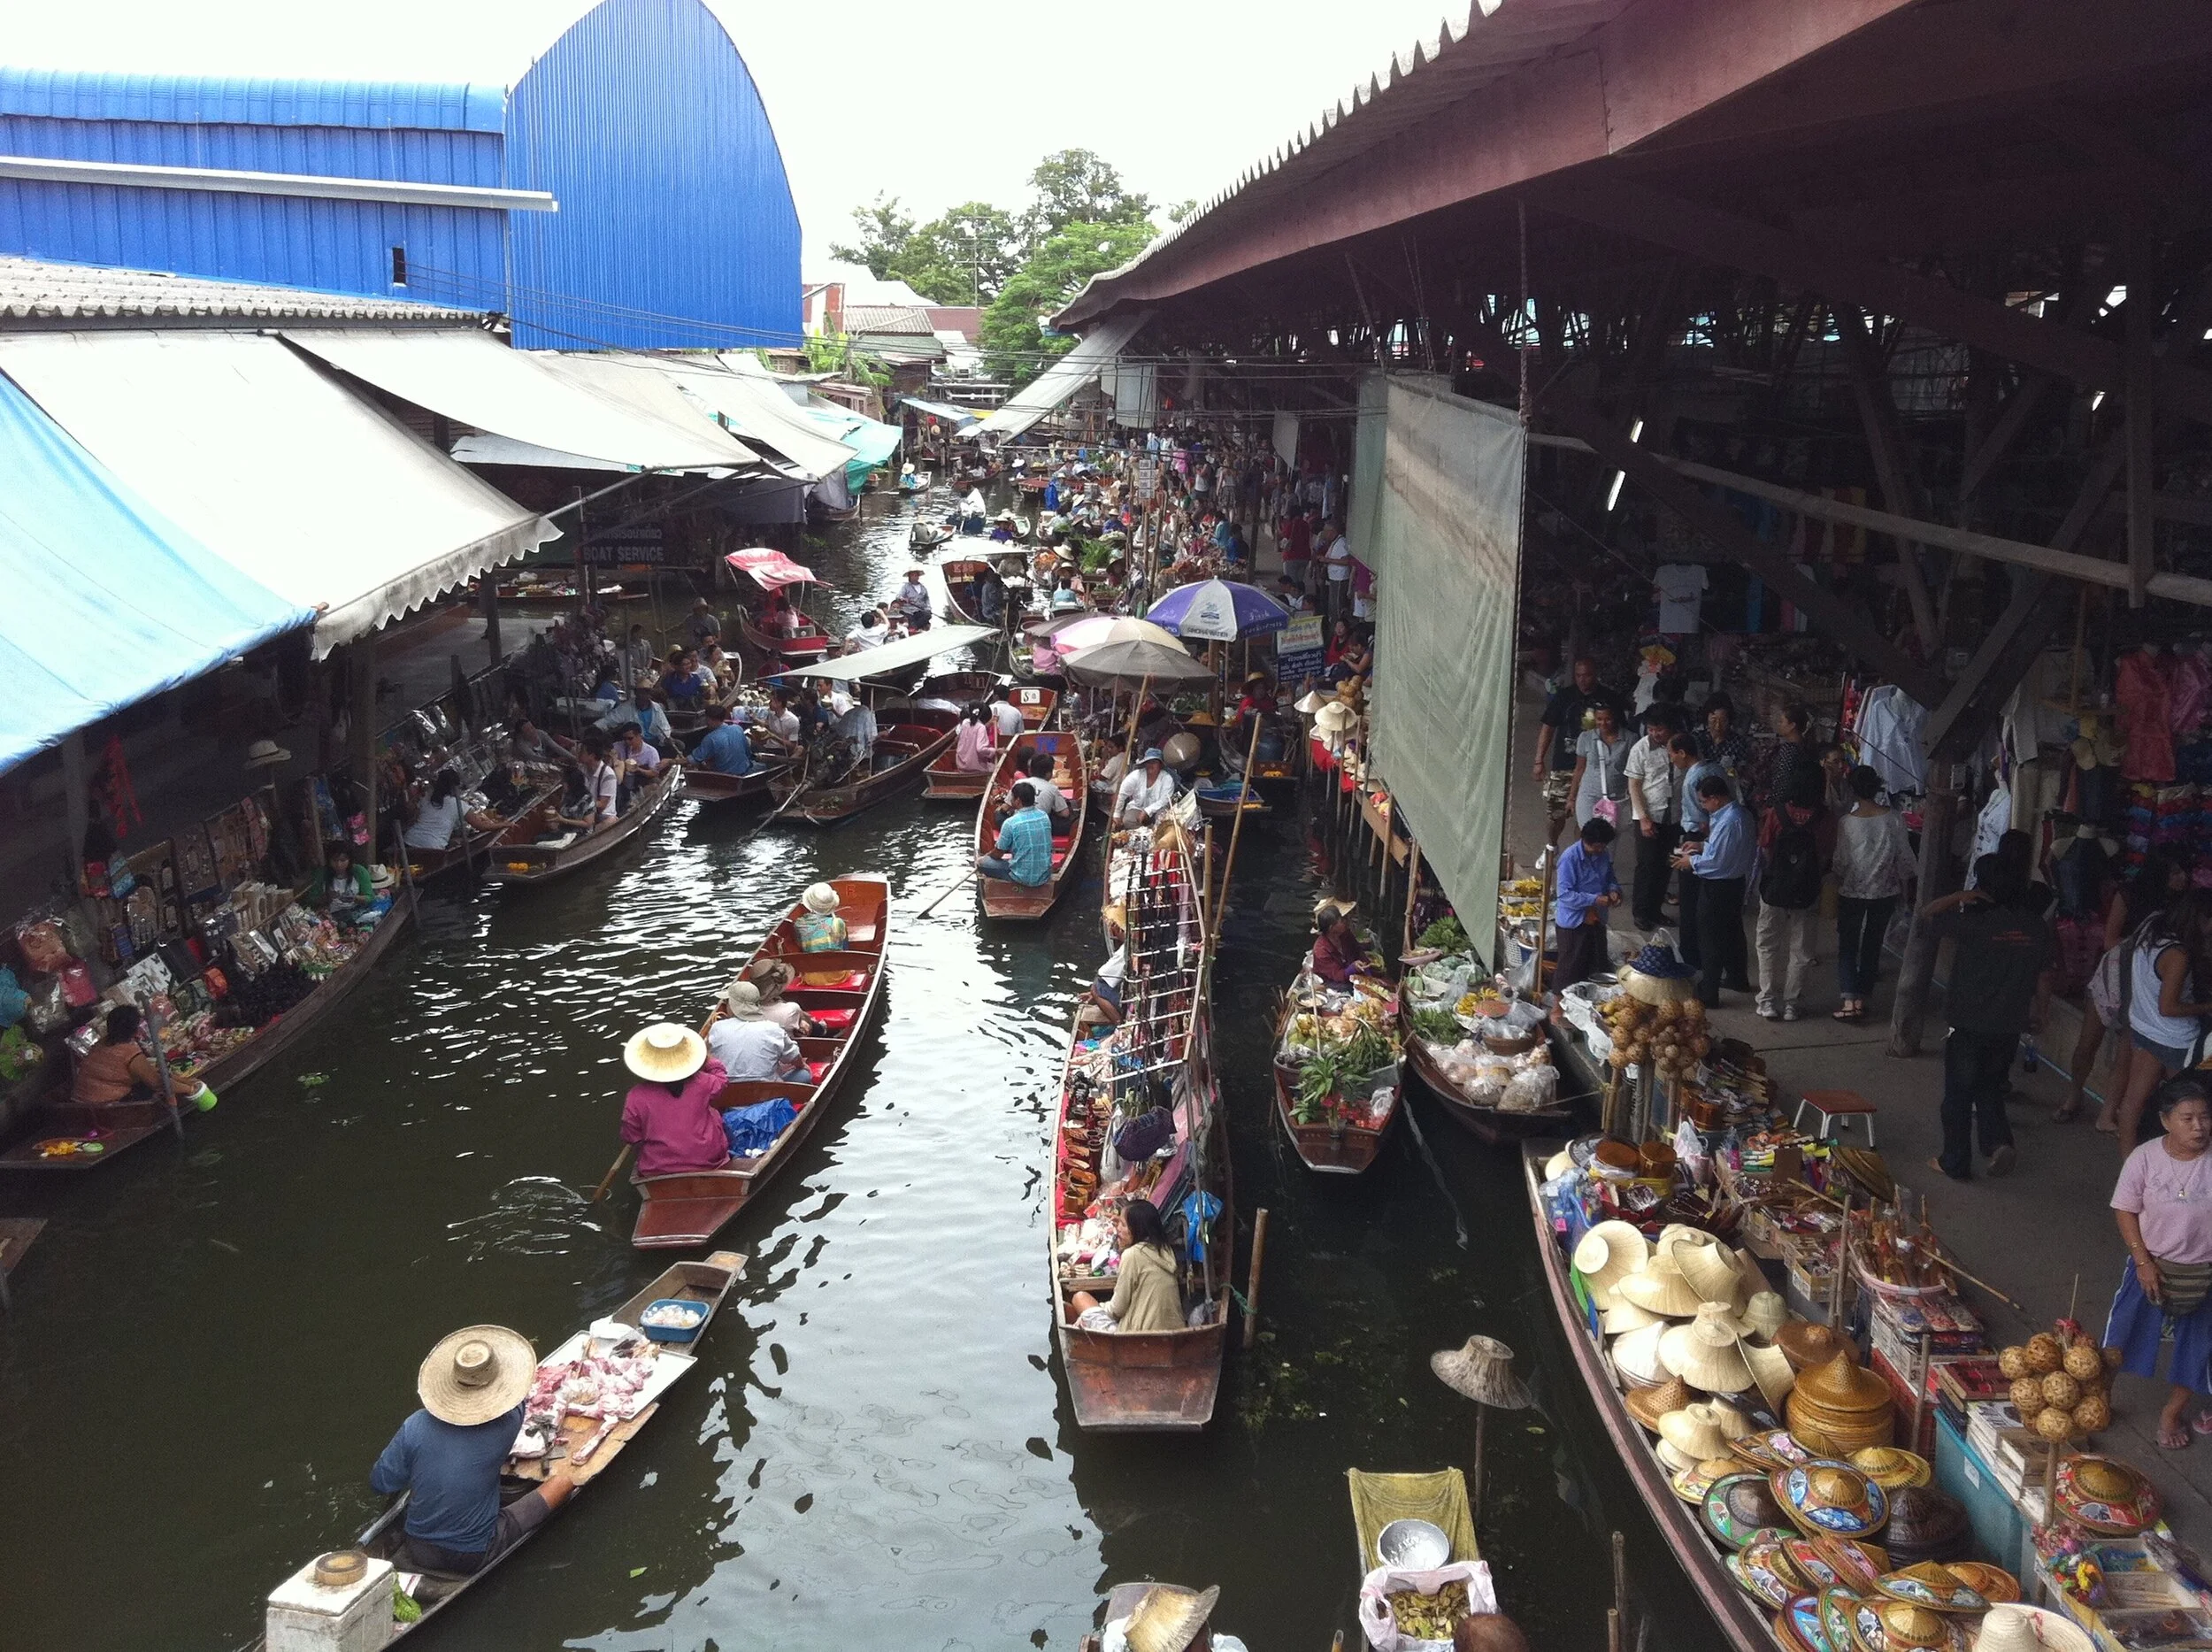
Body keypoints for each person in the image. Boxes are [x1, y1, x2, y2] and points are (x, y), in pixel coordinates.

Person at [370, 1325, 575, 1575]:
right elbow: (518, 1398)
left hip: (418, 1548)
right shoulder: (507, 1424)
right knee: (564, 1482)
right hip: (473, 1555)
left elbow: (381, 1483)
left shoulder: (415, 1424)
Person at [1922, 855, 2054, 1180]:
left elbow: (1927, 913)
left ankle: (1954, 1160)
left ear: (1983, 888)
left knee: (1958, 1094)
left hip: (1969, 1022)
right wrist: (2041, 1012)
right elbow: (2045, 976)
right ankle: (1997, 1143)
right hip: (2010, 1023)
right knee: (1991, 1087)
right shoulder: (2035, 926)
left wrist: (1959, 897)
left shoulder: (1974, 923)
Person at [2107, 1077, 2212, 1450]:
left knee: (2200, 1347)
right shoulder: (2145, 1157)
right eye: (2187, 1118)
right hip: (2150, 1261)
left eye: (2204, 1117)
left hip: (2205, 1271)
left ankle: (2171, 1413)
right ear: (2166, 1120)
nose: (2198, 1126)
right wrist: (2142, 1260)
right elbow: (2125, 1208)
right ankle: (2101, 1398)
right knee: (2121, 1334)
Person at [2063, 849, 2193, 1124]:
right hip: (2117, 973)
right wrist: (2147, 949)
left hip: (2146, 981)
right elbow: (2110, 939)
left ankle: (2107, 1114)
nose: (2183, 878)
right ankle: (2073, 1095)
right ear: (2160, 876)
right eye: (2175, 873)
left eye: (2183, 872)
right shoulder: (2130, 896)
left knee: (2125, 1055)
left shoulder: (2184, 905)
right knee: (2088, 1043)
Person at [2113, 891, 2212, 1152]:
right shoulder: (2179, 955)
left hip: (2145, 1028)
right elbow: (2169, 1007)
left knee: (2133, 1102)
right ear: (2200, 919)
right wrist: (2207, 1006)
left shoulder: (2151, 928)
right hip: (2175, 1040)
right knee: (2193, 1109)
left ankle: (2130, 1168)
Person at [1831, 765, 1913, 1023]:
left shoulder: (1847, 823)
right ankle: (1863, 997)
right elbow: (1904, 860)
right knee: (1872, 945)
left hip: (1852, 891)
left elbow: (1841, 863)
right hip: (1885, 891)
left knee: (1848, 945)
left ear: (1852, 790)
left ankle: (1849, 1000)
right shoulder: (1894, 818)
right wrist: (1906, 892)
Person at [1674, 773, 1755, 1007]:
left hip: (1718, 885)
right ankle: (1738, 978)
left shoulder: (1730, 821)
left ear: (1716, 799)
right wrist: (1701, 846)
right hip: (1735, 882)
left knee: (1711, 939)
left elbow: (1717, 861)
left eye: (1703, 801)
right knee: (1732, 933)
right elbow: (1721, 849)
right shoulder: (1739, 815)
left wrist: (1691, 862)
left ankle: (1709, 992)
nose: (1702, 806)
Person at [618, 1021, 731, 1177]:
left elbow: (631, 1136)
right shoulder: (703, 1082)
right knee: (716, 1116)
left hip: (657, 1166)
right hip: (707, 1159)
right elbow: (722, 1080)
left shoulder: (636, 1096)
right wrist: (708, 1060)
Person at [1754, 792, 1825, 1021]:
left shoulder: (1778, 813)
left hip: (1775, 888)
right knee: (1801, 948)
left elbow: (1765, 846)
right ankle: (1791, 1004)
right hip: (1806, 891)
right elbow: (1826, 852)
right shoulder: (1825, 817)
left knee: (1767, 943)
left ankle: (1766, 1000)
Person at [1533, 658, 1617, 848]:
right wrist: (1539, 760)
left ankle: (1580, 852)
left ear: (1595, 674)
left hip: (1595, 768)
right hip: (1564, 764)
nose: (1582, 680)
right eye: (1578, 675)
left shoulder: (1608, 697)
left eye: (1587, 675)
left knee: (1586, 817)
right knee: (1556, 814)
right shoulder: (1564, 696)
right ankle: (1551, 846)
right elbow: (1548, 728)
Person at [1065, 1199, 1184, 1332]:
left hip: (1137, 1336)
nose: (1118, 1229)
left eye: (1123, 1225)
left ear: (1137, 1229)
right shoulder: (1166, 1250)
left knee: (1080, 1298)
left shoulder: (1132, 1255)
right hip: (1176, 1331)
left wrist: (1099, 1307)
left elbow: (1117, 1310)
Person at [71, 1003, 212, 1110]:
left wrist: (185, 1080)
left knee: (154, 1076)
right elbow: (159, 1083)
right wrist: (191, 1089)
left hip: (80, 1103)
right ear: (134, 1030)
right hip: (106, 1107)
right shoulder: (129, 1053)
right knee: (153, 1087)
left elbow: (149, 1072)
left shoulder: (102, 1043)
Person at [1671, 734, 1725, 967]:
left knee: (1690, 900)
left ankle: (1690, 955)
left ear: (1683, 753)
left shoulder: (1694, 778)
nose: (1672, 759)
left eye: (1672, 754)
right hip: (1712, 836)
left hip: (1697, 836)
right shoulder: (1717, 769)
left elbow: (1701, 818)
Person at [1623, 708, 1679, 932]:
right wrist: (1644, 818)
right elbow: (1634, 785)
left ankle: (1656, 910)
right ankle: (1641, 912)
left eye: (1660, 729)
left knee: (1666, 866)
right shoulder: (1641, 749)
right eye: (1651, 729)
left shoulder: (1680, 745)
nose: (1655, 733)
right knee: (1647, 865)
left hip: (1674, 815)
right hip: (1649, 816)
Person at [1553, 818, 1623, 994]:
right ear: (1586, 841)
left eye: (1603, 846)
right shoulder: (1569, 859)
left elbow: (1610, 879)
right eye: (1597, 847)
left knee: (1597, 964)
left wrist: (1614, 891)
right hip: (1574, 921)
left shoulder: (1603, 854)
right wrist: (1594, 899)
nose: (1600, 851)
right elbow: (1565, 895)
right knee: (1569, 968)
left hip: (1597, 918)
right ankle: (1557, 1008)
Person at [707, 983, 810, 1080]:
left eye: (727, 1002)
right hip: (767, 1090)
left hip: (729, 1089)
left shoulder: (717, 1027)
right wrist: (802, 1065)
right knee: (803, 1074)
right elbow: (794, 1057)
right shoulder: (773, 1029)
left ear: (732, 1006)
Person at [1570, 700, 1633, 831]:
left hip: (1617, 799)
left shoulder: (1630, 738)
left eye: (1608, 719)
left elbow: (1633, 771)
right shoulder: (1585, 737)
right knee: (1589, 835)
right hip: (1589, 796)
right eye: (1599, 719)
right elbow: (1579, 768)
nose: (1603, 723)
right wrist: (1572, 797)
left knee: (1609, 840)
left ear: (1615, 718)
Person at [979, 780, 1053, 887]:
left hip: (1020, 877)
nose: (1011, 800)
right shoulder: (1044, 816)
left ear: (1018, 801)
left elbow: (998, 854)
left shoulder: (1010, 823)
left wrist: (986, 856)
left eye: (1012, 798)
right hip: (1044, 875)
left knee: (982, 862)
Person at [741, 958, 819, 1036]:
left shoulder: (741, 1008)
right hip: (787, 1046)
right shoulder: (791, 1009)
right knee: (810, 1026)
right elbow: (807, 1029)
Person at [558, 734, 619, 828]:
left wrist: (581, 803)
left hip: (602, 815)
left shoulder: (608, 775)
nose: (578, 755)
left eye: (582, 752)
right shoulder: (581, 769)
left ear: (592, 755)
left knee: (609, 822)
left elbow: (602, 804)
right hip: (584, 812)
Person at [1310, 906, 1381, 983]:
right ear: (1332, 928)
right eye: (1341, 921)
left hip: (1348, 973)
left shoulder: (1345, 934)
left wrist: (1368, 974)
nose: (1345, 921)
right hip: (1330, 982)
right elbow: (1337, 975)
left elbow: (1358, 951)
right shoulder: (1320, 950)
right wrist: (1353, 968)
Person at [310, 840, 375, 918]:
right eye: (334, 860)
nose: (338, 865)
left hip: (356, 911)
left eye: (343, 860)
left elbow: (370, 897)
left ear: (350, 860)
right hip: (330, 914)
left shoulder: (359, 872)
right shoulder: (321, 874)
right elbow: (312, 899)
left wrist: (355, 898)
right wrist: (327, 897)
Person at [1697, 691, 1753, 783]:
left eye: (1723, 721)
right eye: (1713, 720)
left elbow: (1741, 773)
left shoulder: (1738, 743)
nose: (1718, 726)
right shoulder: (1698, 739)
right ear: (1707, 718)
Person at [1116, 749, 1177, 829]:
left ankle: (1154, 832)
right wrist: (1116, 814)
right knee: (1128, 820)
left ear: (1160, 765)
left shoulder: (1167, 779)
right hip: (1138, 808)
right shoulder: (1136, 775)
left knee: (1163, 822)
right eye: (1148, 762)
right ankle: (1145, 832)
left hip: (1158, 811)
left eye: (1154, 762)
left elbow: (1164, 800)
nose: (1150, 765)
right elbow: (1122, 793)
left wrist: (1147, 811)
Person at [688, 704, 756, 777]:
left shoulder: (711, 738)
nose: (706, 722)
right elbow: (748, 753)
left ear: (710, 720)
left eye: (706, 719)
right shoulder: (738, 729)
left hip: (725, 777)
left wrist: (675, 761)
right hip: (745, 771)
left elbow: (694, 760)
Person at [795, 883, 848, 952]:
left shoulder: (799, 924)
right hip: (836, 959)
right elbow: (844, 944)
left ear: (809, 906)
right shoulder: (838, 922)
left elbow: (799, 944)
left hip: (810, 960)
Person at [1025, 752, 1071, 819]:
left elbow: (1006, 807)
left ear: (1030, 770)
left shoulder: (1019, 783)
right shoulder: (1052, 788)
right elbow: (1065, 813)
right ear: (1048, 773)